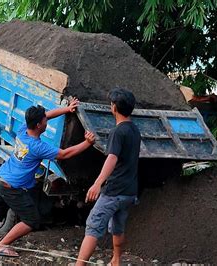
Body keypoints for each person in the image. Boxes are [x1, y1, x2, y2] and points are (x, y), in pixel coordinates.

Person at [0, 98, 96, 257]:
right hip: (11, 187)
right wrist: (87, 143)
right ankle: (1, 245)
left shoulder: (23, 130)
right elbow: (65, 154)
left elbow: (47, 115)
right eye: (45, 121)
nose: (47, 121)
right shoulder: (38, 147)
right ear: (39, 125)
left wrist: (66, 109)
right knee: (31, 221)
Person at [76, 88, 141, 266]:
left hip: (114, 190)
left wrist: (98, 183)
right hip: (129, 191)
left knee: (93, 225)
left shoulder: (117, 132)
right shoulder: (135, 130)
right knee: (118, 228)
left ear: (114, 108)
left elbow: (112, 158)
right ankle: (116, 260)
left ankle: (78, 265)